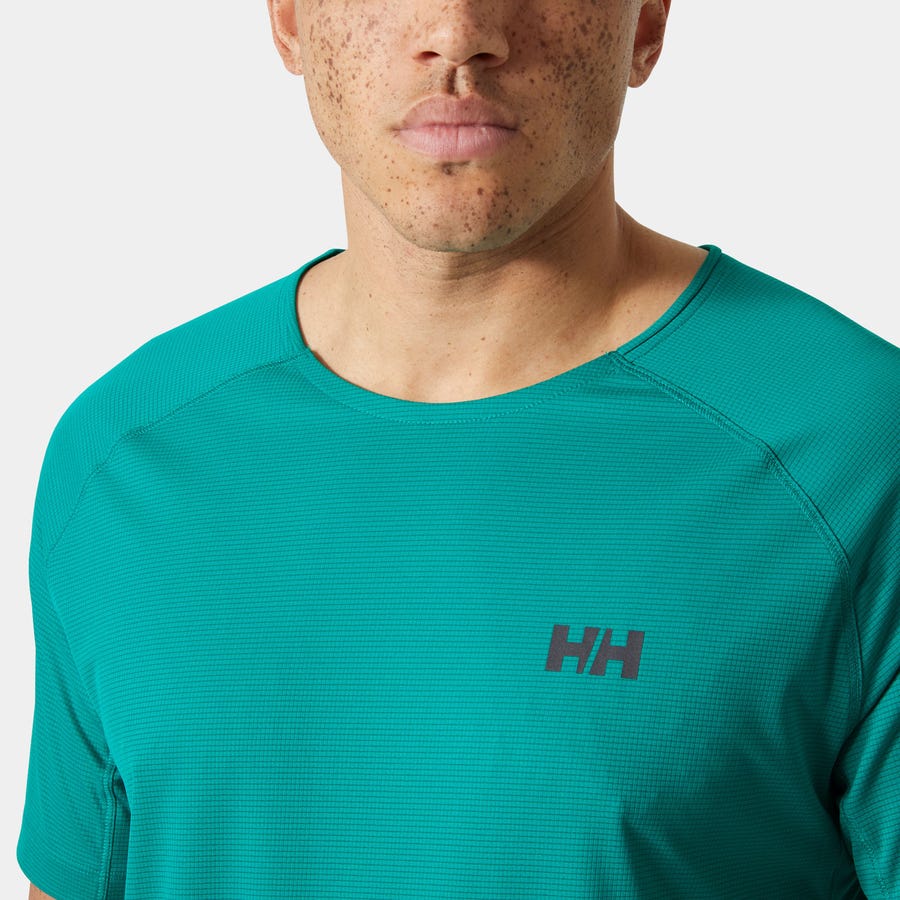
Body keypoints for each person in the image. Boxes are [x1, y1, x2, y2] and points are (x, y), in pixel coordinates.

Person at [18, 0, 899, 897]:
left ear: (645, 24)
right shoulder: (121, 459)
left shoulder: (855, 455)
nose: (458, 28)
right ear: (289, 21)